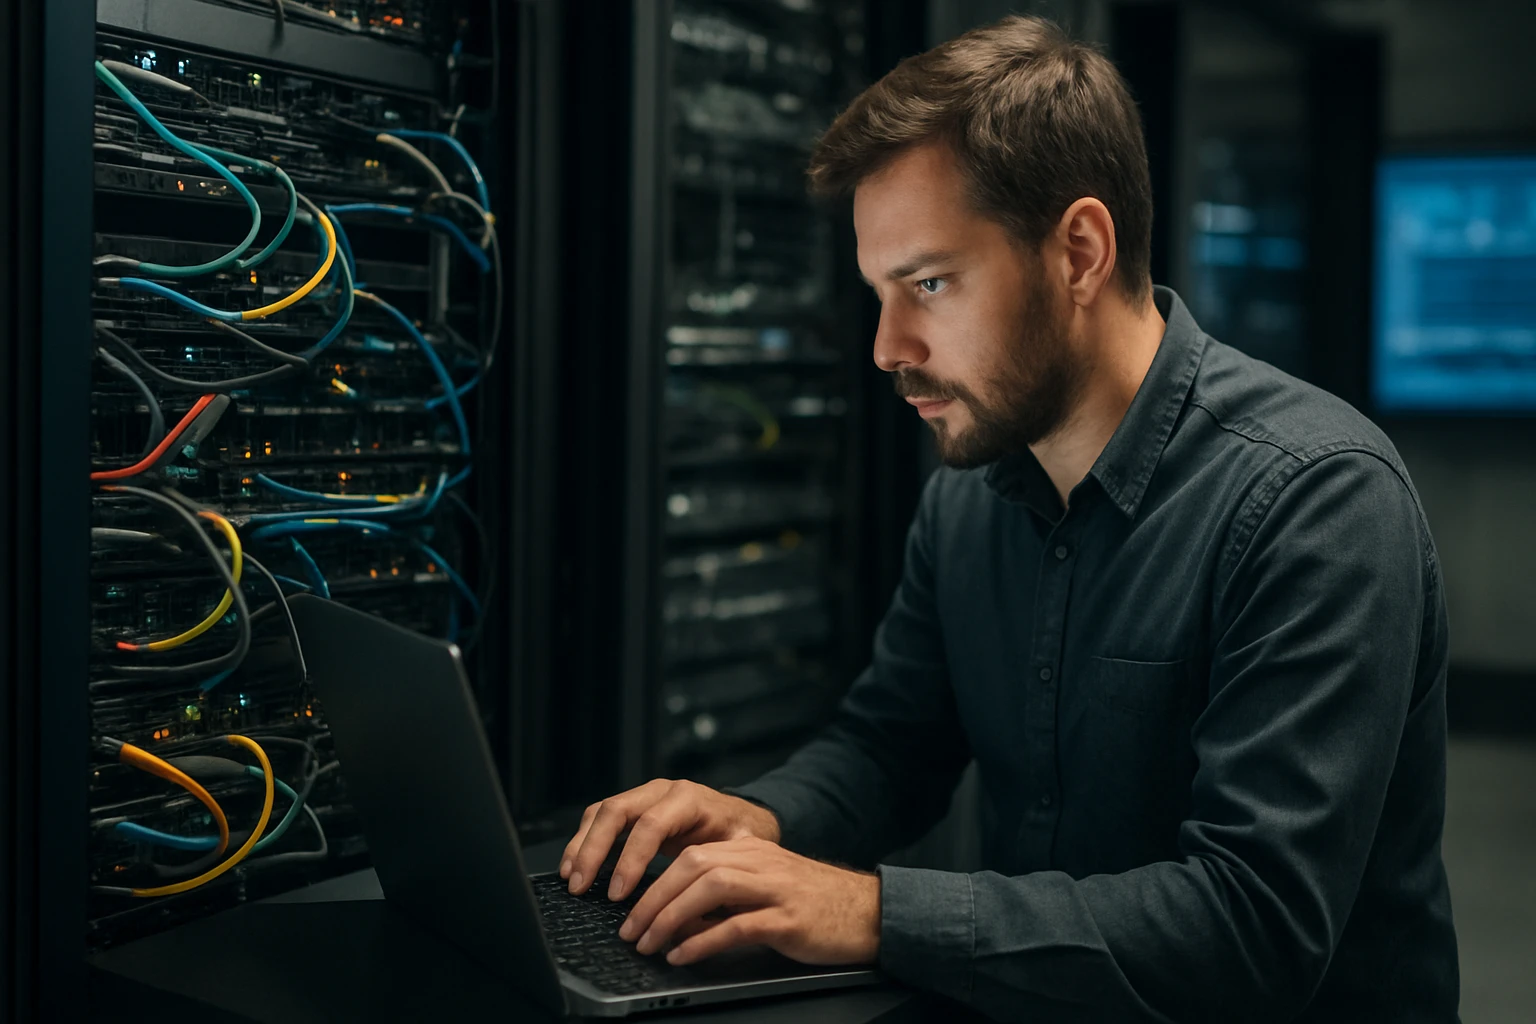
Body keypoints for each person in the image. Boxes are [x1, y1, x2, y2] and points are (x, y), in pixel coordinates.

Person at [561, 15, 1459, 1023]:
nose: (888, 347)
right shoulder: (971, 488)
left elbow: (1253, 928)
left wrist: (873, 909)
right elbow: (891, 745)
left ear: (1078, 251)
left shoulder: (1316, 501)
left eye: (930, 284)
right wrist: (762, 819)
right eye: (878, 293)